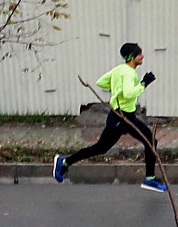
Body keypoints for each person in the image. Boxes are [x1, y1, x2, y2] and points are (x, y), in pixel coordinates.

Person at [54, 42, 165, 192]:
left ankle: (150, 178)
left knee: (150, 141)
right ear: (132, 57)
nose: (142, 56)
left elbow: (101, 82)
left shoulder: (119, 70)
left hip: (127, 116)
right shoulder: (129, 73)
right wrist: (144, 83)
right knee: (101, 148)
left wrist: (116, 87)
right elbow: (128, 93)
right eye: (139, 54)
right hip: (121, 117)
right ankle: (65, 161)